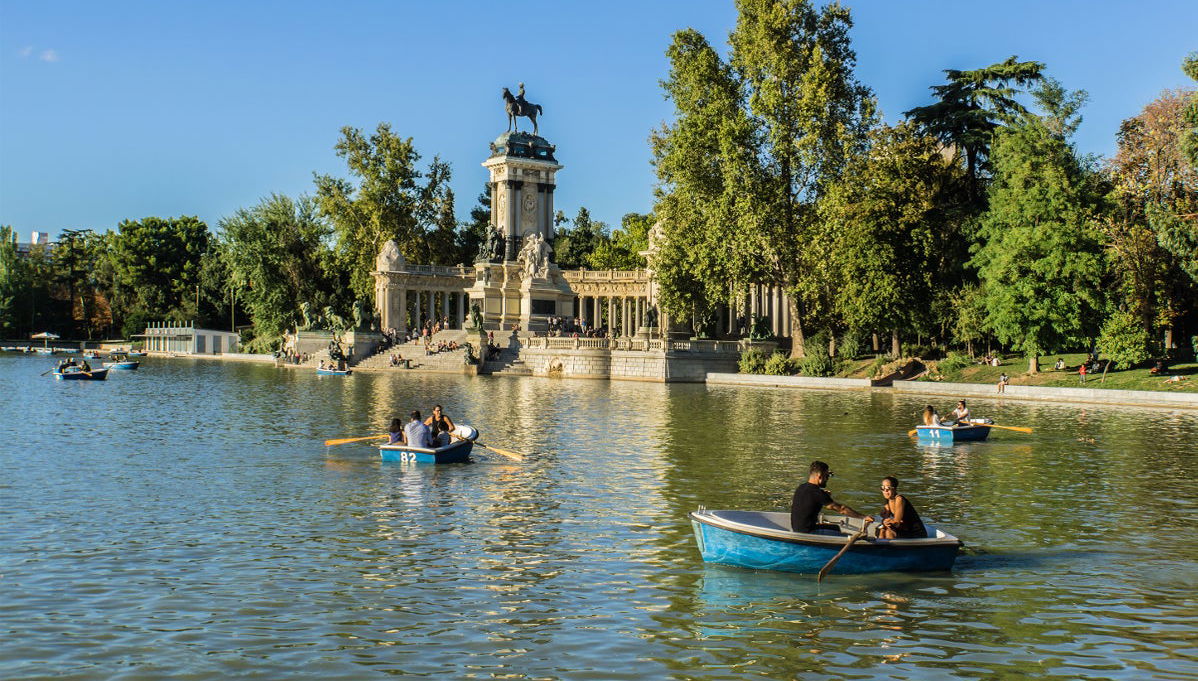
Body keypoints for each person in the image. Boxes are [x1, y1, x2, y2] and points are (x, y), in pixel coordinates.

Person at [790, 461, 873, 534]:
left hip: (797, 529)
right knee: (838, 531)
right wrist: (863, 517)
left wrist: (824, 496)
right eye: (827, 475)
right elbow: (842, 509)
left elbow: (809, 500)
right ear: (819, 476)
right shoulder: (818, 493)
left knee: (834, 528)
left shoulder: (801, 487)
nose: (827, 479)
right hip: (808, 532)